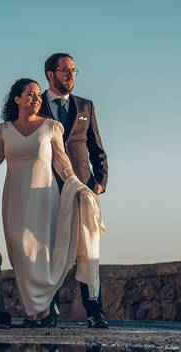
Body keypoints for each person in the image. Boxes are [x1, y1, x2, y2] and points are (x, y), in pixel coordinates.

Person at [0, 79, 104, 328]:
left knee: (41, 251)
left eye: (38, 96)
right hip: (15, 197)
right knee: (20, 251)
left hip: (45, 198)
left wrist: (79, 188)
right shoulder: (4, 129)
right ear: (17, 99)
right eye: (30, 95)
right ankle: (35, 309)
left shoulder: (51, 128)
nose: (36, 99)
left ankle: (39, 314)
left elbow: (63, 166)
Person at [39, 52, 110, 329]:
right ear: (50, 74)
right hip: (48, 188)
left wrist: (100, 182)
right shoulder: (37, 105)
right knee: (52, 248)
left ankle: (95, 311)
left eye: (73, 70)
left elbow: (97, 149)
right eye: (65, 70)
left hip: (83, 188)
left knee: (87, 248)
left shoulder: (86, 107)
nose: (71, 75)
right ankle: (49, 309)